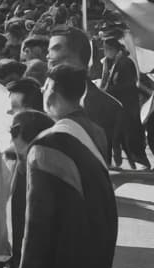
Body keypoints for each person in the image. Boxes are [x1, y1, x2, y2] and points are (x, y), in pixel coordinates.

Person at [20, 64, 118, 268]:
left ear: (52, 91)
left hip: (60, 263)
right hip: (96, 250)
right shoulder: (95, 131)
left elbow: (38, 221)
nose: (43, 92)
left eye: (45, 87)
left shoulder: (48, 144)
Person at [47, 27, 120, 166]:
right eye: (48, 50)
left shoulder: (109, 106)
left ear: (76, 54)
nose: (48, 56)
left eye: (55, 49)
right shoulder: (37, 98)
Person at [7, 109, 55, 268]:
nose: (11, 137)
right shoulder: (21, 163)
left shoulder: (42, 171)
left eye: (13, 131)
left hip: (36, 267)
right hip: (21, 262)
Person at [99, 34, 149, 170]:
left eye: (107, 49)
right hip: (120, 107)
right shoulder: (115, 62)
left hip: (127, 107)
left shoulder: (125, 63)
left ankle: (139, 161)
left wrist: (108, 90)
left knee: (127, 135)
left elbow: (128, 85)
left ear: (114, 49)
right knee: (120, 136)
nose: (105, 52)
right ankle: (129, 163)